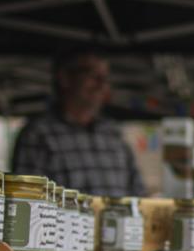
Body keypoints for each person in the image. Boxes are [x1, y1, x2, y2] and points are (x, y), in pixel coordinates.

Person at [10, 46, 145, 197]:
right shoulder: (38, 134)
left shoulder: (113, 134)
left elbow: (138, 194)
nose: (101, 84)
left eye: (104, 77)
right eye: (92, 75)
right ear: (65, 78)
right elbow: (27, 199)